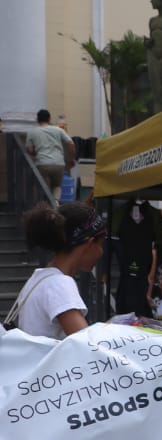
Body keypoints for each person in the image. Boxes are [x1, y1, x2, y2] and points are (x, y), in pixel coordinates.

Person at [10, 202, 106, 339]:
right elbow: (86, 344)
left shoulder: (39, 279)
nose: (102, 252)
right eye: (101, 244)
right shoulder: (60, 284)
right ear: (89, 244)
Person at [24, 109, 76, 200]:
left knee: (44, 189)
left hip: (42, 164)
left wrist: (36, 153)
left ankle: (45, 208)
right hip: (59, 164)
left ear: (37, 120)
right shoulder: (58, 130)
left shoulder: (32, 132)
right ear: (49, 119)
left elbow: (29, 149)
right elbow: (71, 144)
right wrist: (71, 159)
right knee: (56, 186)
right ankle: (55, 204)